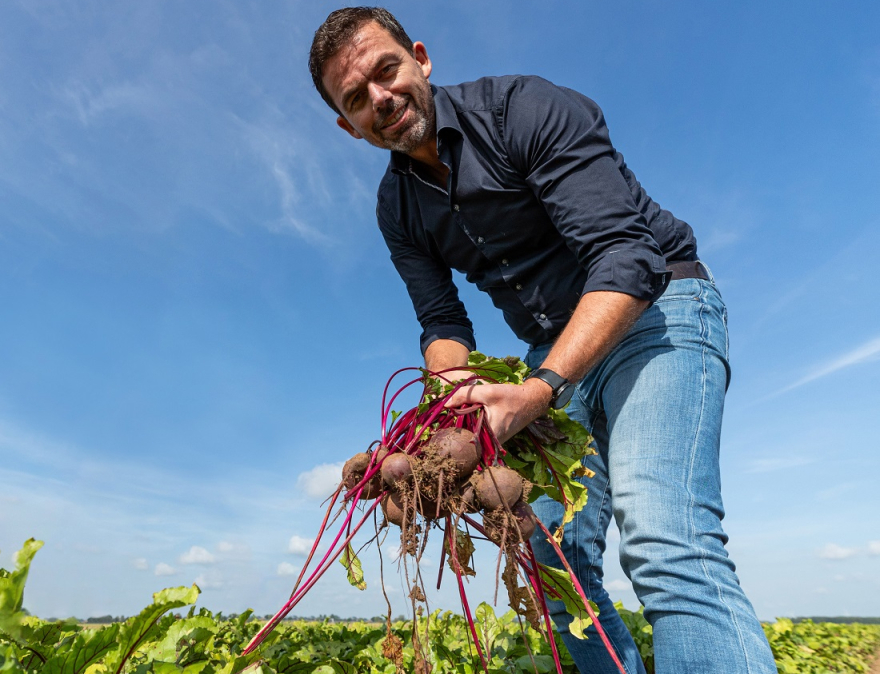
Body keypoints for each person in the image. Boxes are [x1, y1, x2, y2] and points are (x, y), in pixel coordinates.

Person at [308, 7, 778, 674]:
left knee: (664, 543)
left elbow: (624, 256)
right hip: (550, 349)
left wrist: (539, 389)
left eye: (386, 71)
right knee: (552, 565)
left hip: (654, 308)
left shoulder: (519, 109)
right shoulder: (398, 207)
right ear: (346, 125)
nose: (380, 99)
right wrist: (447, 403)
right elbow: (442, 323)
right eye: (356, 99)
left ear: (420, 58)